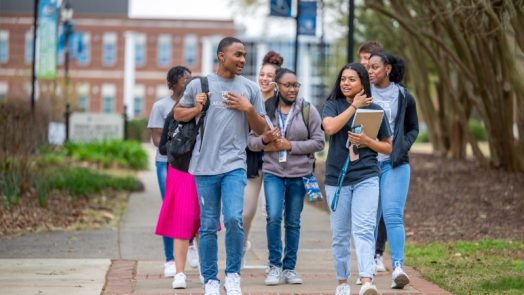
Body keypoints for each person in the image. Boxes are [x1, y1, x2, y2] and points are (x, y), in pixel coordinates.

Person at [174, 36, 267, 295]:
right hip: (204, 167)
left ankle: (233, 275)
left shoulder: (249, 88)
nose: (242, 60)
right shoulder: (199, 85)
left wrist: (248, 109)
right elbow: (178, 114)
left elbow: (262, 129)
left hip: (234, 166)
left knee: (235, 219)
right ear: (221, 56)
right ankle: (211, 279)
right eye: (237, 54)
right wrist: (196, 108)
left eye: (244, 55)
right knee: (207, 224)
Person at [248, 68, 324, 286]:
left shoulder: (307, 109)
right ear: (276, 86)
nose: (292, 89)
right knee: (273, 216)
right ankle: (274, 266)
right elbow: (250, 142)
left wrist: (290, 145)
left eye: (295, 85)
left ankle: (289, 267)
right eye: (287, 85)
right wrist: (264, 140)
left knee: (293, 222)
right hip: (273, 173)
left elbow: (319, 141)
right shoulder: (264, 112)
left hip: (300, 175)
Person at [322, 63, 392, 295]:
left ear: (363, 82)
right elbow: (330, 128)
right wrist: (353, 107)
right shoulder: (332, 105)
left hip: (366, 176)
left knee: (363, 229)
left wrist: (367, 142)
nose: (346, 83)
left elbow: (388, 147)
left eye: (352, 79)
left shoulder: (376, 109)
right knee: (340, 234)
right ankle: (342, 282)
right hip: (338, 180)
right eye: (343, 79)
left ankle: (366, 281)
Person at [368, 52, 419, 289]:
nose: (370, 71)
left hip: (395, 164)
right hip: (367, 165)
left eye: (375, 67)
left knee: (392, 215)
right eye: (368, 67)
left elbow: (412, 128)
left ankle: (398, 267)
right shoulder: (363, 93)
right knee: (369, 219)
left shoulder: (403, 95)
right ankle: (367, 268)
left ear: (387, 68)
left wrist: (400, 148)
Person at [147, 66, 199, 277]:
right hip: (166, 164)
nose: (188, 81)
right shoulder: (161, 106)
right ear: (172, 84)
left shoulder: (197, 104)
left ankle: (191, 243)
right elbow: (158, 139)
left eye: (190, 78)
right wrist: (177, 149)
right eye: (183, 79)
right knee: (171, 209)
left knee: (192, 209)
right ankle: (170, 259)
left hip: (190, 166)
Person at [155, 98, 201, 289]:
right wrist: (182, 145)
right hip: (180, 172)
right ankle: (180, 273)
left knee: (203, 224)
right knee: (181, 222)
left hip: (203, 172)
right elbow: (163, 147)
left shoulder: (208, 117)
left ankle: (206, 271)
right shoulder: (173, 117)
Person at [243, 50, 284, 260]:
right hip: (252, 161)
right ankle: (242, 245)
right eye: (262, 74)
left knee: (273, 214)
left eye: (270, 76)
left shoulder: (281, 103)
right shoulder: (249, 98)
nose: (265, 79)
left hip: (275, 163)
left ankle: (274, 260)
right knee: (245, 212)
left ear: (277, 81)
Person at [358, 40, 388, 274]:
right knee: (366, 210)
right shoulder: (355, 88)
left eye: (368, 59)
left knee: (383, 209)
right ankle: (366, 253)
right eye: (362, 59)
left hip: (385, 157)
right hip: (362, 158)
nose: (365, 64)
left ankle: (378, 252)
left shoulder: (390, 89)